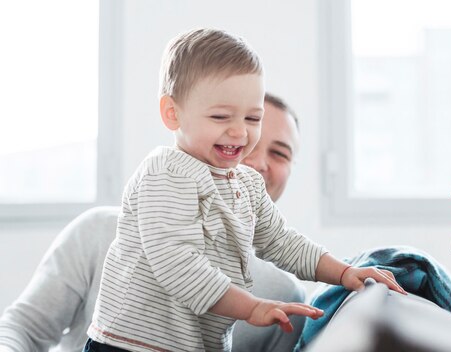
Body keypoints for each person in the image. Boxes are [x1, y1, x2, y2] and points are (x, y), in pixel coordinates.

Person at [84, 28, 404, 352]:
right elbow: (178, 262)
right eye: (221, 116)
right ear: (172, 113)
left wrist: (344, 272)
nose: (239, 131)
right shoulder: (167, 173)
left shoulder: (246, 183)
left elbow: (282, 242)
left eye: (253, 117)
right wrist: (251, 307)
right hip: (129, 345)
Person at [0, 93, 308, 352]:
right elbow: (22, 329)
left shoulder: (285, 297)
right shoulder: (97, 232)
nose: (256, 162)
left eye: (279, 153)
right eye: (235, 138)